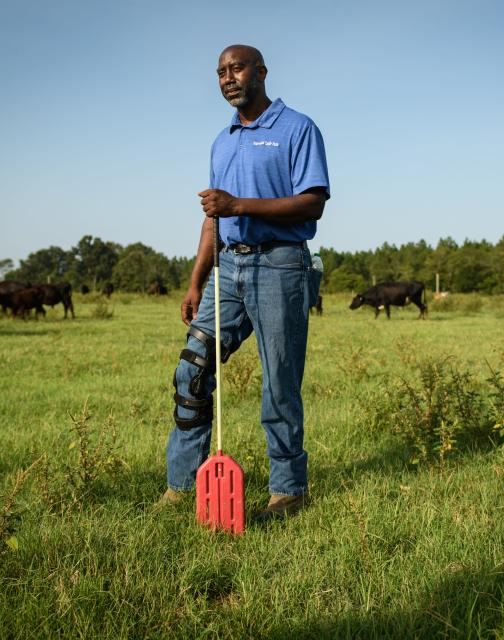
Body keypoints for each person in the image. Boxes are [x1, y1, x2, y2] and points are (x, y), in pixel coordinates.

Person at [158, 44, 330, 522]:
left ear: (261, 71)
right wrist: (196, 282)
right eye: (219, 72)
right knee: (191, 370)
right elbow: (213, 218)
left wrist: (240, 206)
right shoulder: (223, 140)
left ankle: (288, 491)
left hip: (280, 266)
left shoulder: (297, 128)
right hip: (227, 270)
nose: (227, 78)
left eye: (236, 68)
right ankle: (182, 486)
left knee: (278, 383)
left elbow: (313, 202)